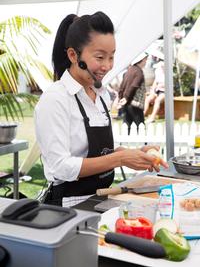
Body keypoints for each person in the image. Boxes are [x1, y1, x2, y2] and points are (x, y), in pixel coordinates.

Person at [34, 12, 168, 207]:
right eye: (100, 57)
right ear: (73, 55)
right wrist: (120, 158)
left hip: (101, 198)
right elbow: (60, 167)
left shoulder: (102, 95)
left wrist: (135, 154)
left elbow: (95, 152)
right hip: (69, 207)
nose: (107, 66)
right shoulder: (56, 99)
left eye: (111, 57)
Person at [117, 53, 148, 134]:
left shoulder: (129, 70)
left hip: (126, 104)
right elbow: (134, 85)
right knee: (140, 127)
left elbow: (122, 86)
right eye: (145, 59)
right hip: (135, 104)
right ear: (141, 60)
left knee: (127, 128)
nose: (146, 61)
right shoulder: (138, 72)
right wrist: (126, 97)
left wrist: (121, 98)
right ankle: (144, 146)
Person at [144, 49, 165, 123]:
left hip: (164, 91)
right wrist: (152, 91)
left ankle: (152, 117)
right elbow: (155, 82)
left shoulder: (168, 70)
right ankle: (142, 115)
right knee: (148, 99)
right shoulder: (158, 69)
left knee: (157, 101)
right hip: (157, 90)